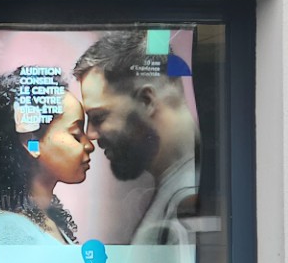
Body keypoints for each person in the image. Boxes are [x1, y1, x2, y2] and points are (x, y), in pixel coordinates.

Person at [73, 30, 198, 244]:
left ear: (146, 101)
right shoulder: (178, 185)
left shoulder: (189, 195)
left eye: (98, 117)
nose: (91, 135)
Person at [0, 69, 93, 245]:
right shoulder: (9, 230)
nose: (89, 145)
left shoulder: (48, 219)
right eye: (76, 134)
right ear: (31, 142)